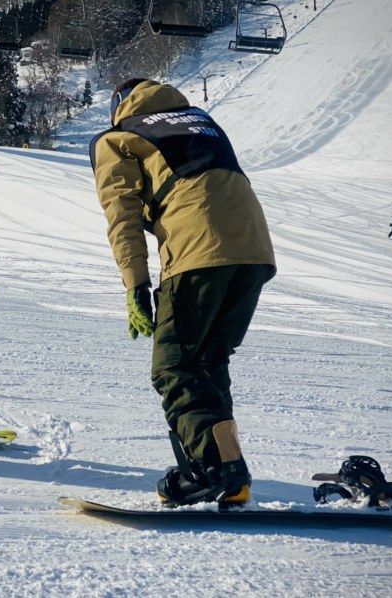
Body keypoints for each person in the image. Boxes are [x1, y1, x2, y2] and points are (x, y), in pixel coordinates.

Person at [89, 78, 276, 507]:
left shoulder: (119, 138)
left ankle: (213, 469)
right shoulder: (201, 121)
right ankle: (231, 473)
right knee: (207, 362)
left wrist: (135, 285)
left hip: (198, 250)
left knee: (173, 366)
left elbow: (123, 216)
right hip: (254, 250)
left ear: (118, 107)